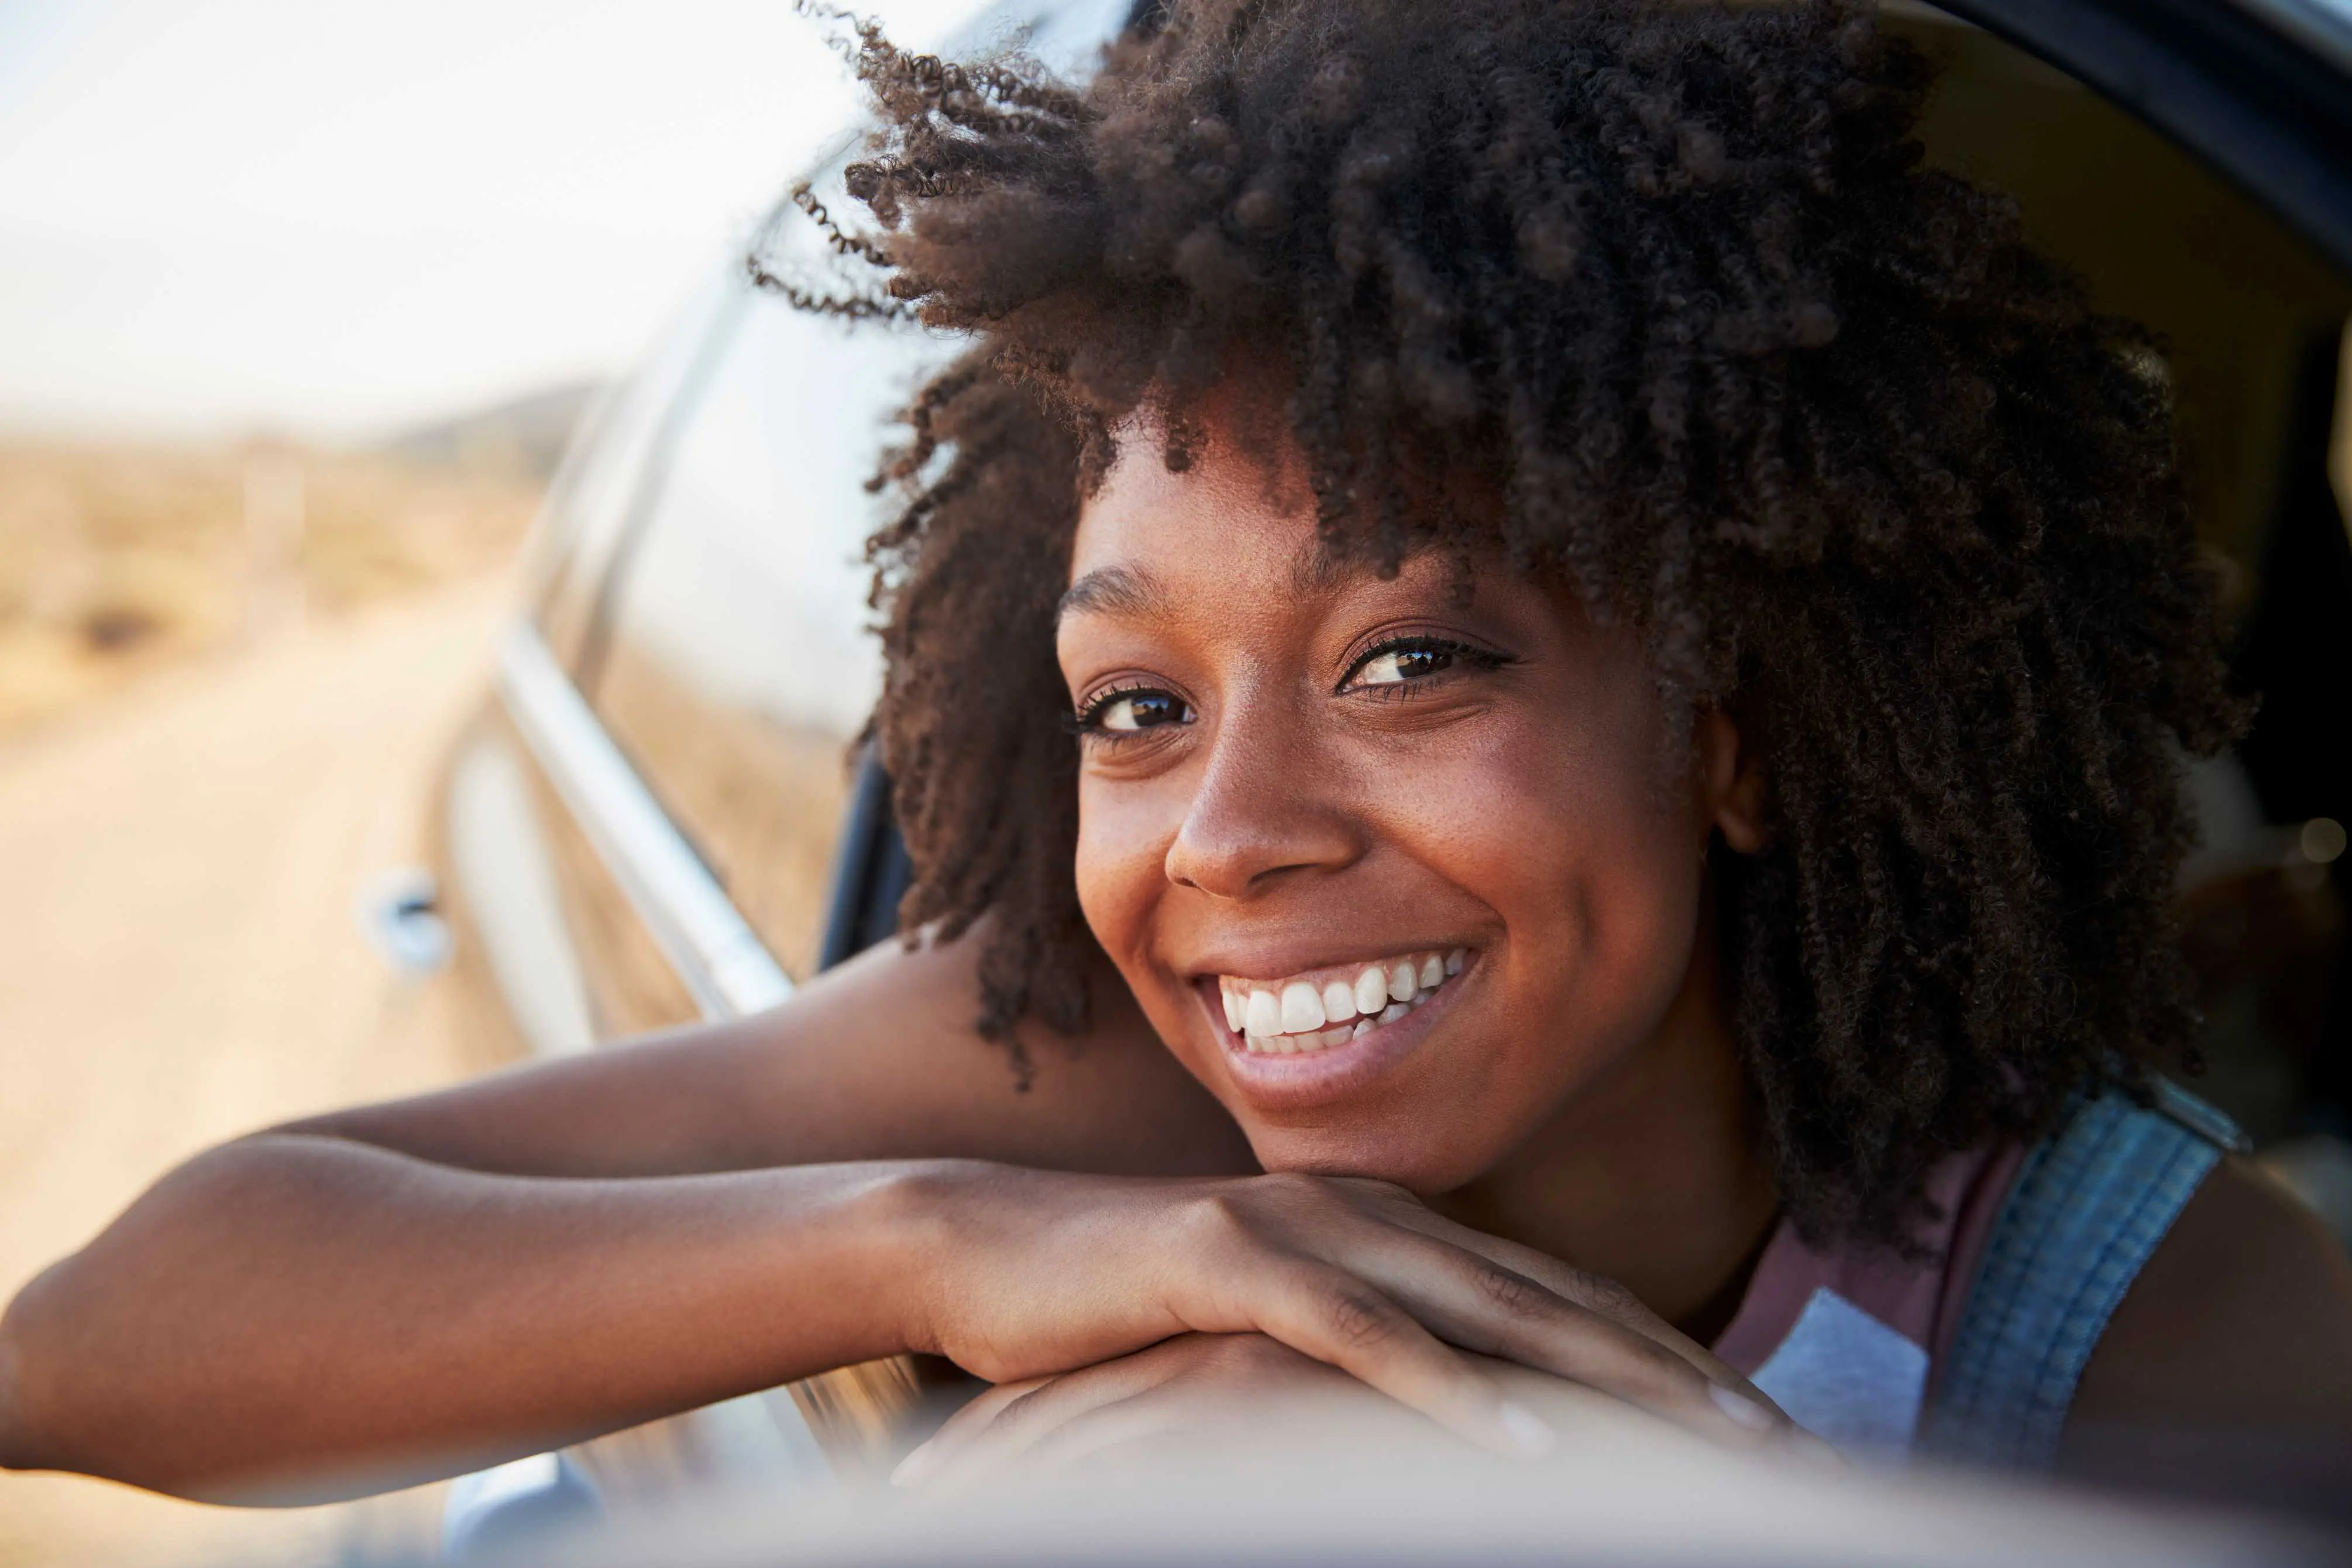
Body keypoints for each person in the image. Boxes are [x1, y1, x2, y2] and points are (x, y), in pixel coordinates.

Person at [5, 0, 2350, 1509]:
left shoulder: (2136, 1324)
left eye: (1414, 661)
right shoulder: (1094, 1087)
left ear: (1733, 724)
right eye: (1138, 704)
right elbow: (93, 1343)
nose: (1228, 838)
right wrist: (960, 1245)